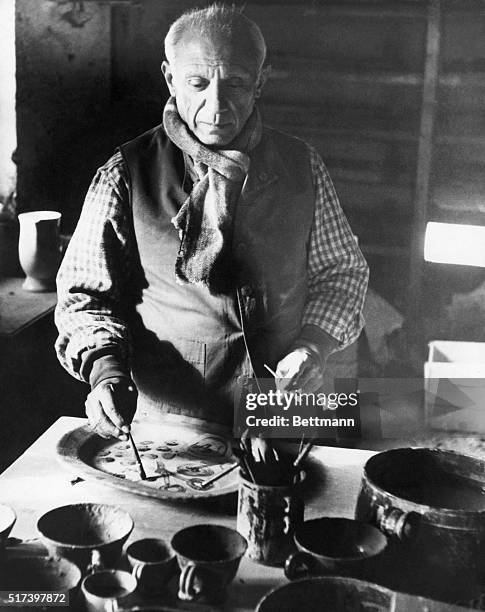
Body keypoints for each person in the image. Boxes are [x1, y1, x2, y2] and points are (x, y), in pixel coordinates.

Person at [55, 3, 369, 441]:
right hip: (174, 417)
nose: (216, 104)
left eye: (236, 83)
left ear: (260, 82)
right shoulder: (127, 175)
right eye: (198, 83)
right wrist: (105, 371)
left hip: (285, 407)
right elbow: (84, 296)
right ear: (170, 78)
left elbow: (342, 274)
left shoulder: (303, 166)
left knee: (290, 503)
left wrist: (312, 347)